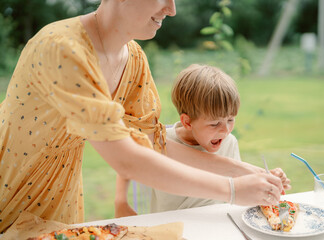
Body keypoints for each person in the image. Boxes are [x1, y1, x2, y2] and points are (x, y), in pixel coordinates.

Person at [0, 0, 290, 233]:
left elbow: (156, 144)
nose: (172, 9)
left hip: (62, 202)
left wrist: (251, 173)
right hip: (9, 195)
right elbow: (127, 159)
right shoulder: (63, 48)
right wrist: (232, 190)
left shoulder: (134, 59)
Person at [151, 64, 243, 212]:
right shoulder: (161, 142)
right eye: (214, 124)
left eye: (230, 120)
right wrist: (121, 201)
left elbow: (240, 186)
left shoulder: (230, 143)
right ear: (187, 122)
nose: (225, 130)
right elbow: (128, 162)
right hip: (171, 227)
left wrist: (264, 179)